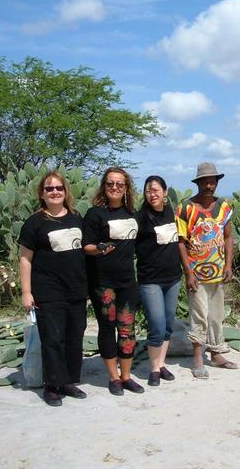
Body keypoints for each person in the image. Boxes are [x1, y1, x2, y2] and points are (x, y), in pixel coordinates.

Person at [18, 170, 88, 406]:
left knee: (74, 336)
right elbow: (25, 259)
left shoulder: (77, 218)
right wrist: (26, 292)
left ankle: (68, 381)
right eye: (50, 188)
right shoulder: (35, 222)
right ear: (42, 193)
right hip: (48, 290)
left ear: (65, 191)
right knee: (53, 338)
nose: (55, 192)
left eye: (59, 188)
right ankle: (52, 385)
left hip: (76, 289)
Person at [82, 167, 144, 396]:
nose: (115, 187)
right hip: (102, 282)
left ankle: (127, 377)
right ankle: (113, 377)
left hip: (128, 281)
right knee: (107, 328)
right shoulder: (95, 214)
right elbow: (85, 246)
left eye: (119, 184)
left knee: (127, 328)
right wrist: (99, 249)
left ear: (126, 188)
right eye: (110, 184)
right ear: (104, 186)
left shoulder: (133, 214)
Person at [175, 162, 237, 378]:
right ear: (198, 183)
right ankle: (198, 357)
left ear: (217, 182)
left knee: (216, 315)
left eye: (212, 181)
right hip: (196, 272)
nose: (209, 185)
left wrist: (229, 265)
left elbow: (228, 237)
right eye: (205, 181)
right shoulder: (185, 208)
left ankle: (217, 353)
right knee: (199, 315)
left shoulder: (224, 207)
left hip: (218, 271)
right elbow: (181, 242)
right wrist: (188, 272)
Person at [136, 175, 183, 386]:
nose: (152, 194)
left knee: (168, 324)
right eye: (148, 190)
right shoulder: (140, 218)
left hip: (173, 278)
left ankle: (161, 364)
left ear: (165, 192)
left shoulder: (173, 214)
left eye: (155, 190)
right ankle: (154, 369)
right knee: (156, 323)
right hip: (150, 280)